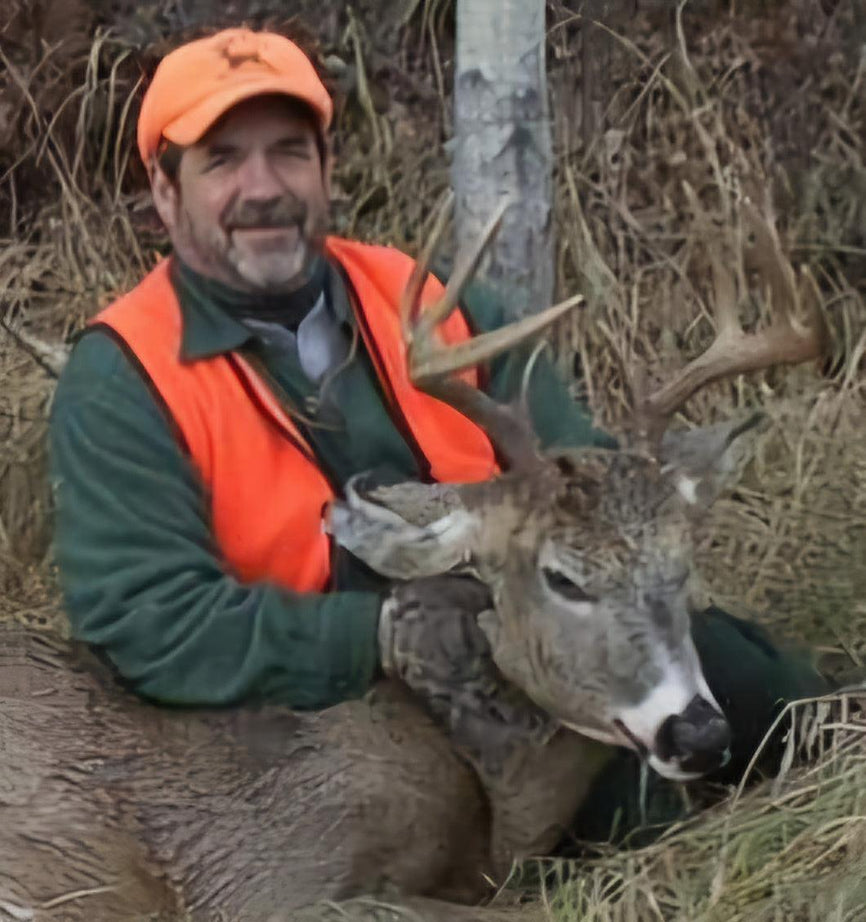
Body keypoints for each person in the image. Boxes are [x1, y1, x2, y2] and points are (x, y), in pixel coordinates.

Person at [49, 26, 829, 841]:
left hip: (521, 641)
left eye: (289, 152)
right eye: (222, 161)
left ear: (326, 169)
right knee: (621, 821)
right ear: (166, 194)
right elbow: (147, 624)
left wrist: (642, 502)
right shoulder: (125, 376)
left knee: (768, 691)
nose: (263, 187)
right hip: (311, 716)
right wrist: (379, 633)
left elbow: (583, 480)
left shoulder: (430, 306)